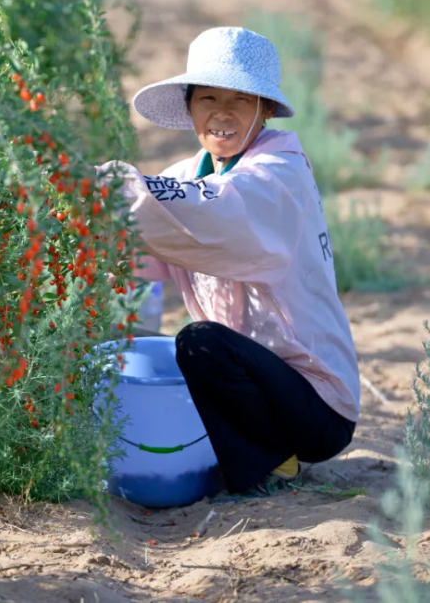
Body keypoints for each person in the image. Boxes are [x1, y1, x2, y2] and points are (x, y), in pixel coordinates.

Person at [96, 26, 360, 498]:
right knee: (149, 348)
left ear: (267, 109)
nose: (221, 113)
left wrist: (100, 187)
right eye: (207, 99)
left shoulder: (280, 174)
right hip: (252, 387)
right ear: (190, 108)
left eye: (240, 100)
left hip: (316, 404)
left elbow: (215, 210)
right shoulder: (188, 178)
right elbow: (137, 250)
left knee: (199, 343)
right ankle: (246, 449)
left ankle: (265, 467)